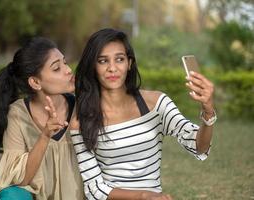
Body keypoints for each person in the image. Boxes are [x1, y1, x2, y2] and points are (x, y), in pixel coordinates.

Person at [70, 28, 216, 200]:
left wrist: (208, 111)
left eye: (119, 59)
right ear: (93, 66)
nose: (112, 68)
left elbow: (199, 146)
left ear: (129, 63)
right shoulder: (81, 121)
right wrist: (143, 195)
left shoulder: (156, 104)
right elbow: (95, 189)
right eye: (103, 61)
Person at [0, 37, 84, 200]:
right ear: (35, 82)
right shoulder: (18, 114)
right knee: (10, 196)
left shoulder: (83, 106)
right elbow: (21, 180)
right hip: (33, 197)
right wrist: (45, 135)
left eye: (65, 62)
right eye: (56, 68)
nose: (68, 70)